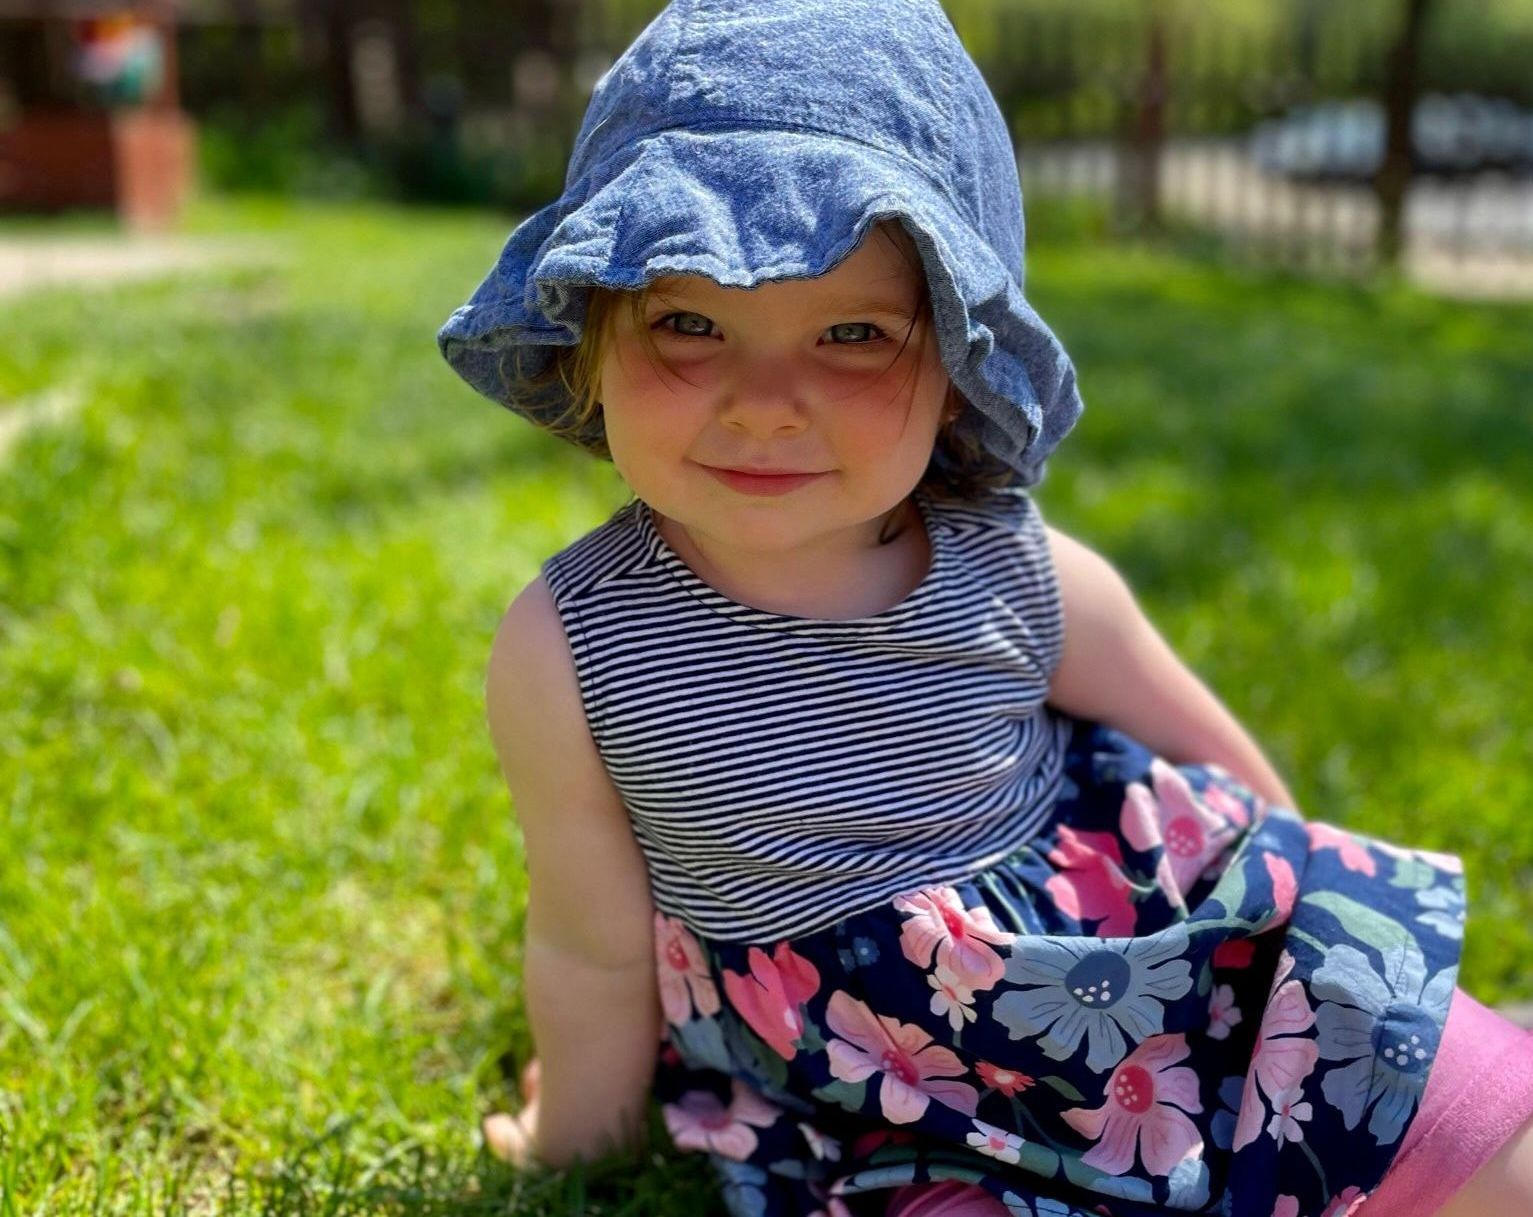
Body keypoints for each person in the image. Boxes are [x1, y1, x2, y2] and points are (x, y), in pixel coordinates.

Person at [436, 1, 1533, 1213]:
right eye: (690, 322)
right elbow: (591, 941)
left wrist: (1303, 984)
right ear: (592, 329)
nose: (761, 401)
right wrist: (572, 1131)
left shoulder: (1009, 567)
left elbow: (1223, 769)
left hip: (1151, 960)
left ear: (959, 366)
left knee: (1490, 1146)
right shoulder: (576, 644)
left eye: (852, 333)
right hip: (902, 1102)